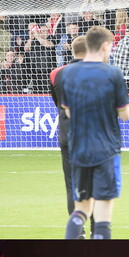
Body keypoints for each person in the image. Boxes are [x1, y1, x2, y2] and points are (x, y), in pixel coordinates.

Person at [59, 26, 129, 240]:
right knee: (103, 215)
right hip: (105, 148)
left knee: (81, 210)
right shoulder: (113, 73)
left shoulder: (68, 73)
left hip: (79, 149)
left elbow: (68, 111)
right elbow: (125, 114)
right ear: (104, 46)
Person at [48, 36, 91, 238]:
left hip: (67, 135)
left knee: (71, 184)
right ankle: (97, 228)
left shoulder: (56, 73)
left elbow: (57, 102)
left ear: (72, 50)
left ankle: (78, 231)